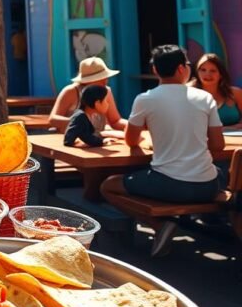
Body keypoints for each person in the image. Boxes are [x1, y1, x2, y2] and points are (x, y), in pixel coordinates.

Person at [101, 45, 226, 254]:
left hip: (168, 185)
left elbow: (131, 140)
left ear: (155, 70)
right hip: (208, 186)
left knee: (107, 186)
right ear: (181, 68)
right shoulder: (205, 98)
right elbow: (217, 145)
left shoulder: (145, 99)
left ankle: (159, 226)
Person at [48, 57, 128, 133]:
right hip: (73, 141)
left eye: (105, 77)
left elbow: (115, 121)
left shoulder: (107, 91)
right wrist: (78, 123)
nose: (105, 82)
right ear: (87, 81)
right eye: (100, 78)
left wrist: (132, 126)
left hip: (98, 140)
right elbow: (53, 119)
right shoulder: (70, 91)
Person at [190, 53, 242, 128]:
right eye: (203, 70)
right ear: (197, 73)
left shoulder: (235, 93)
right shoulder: (189, 93)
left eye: (213, 71)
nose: (207, 74)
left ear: (221, 74)